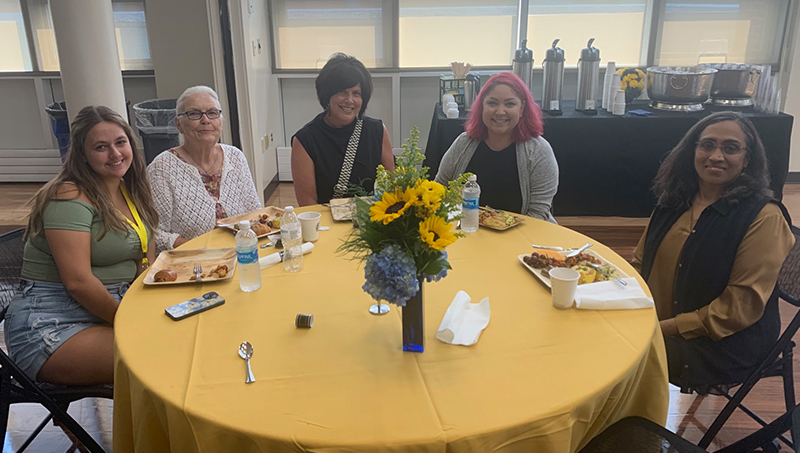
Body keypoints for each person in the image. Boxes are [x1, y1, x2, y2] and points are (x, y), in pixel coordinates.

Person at [632, 111, 794, 392]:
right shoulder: (675, 199)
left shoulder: (764, 217)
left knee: (616, 355)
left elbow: (736, 310)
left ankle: (628, 430)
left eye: (730, 148)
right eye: (707, 145)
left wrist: (659, 328)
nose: (716, 156)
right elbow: (639, 263)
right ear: (692, 150)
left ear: (747, 159)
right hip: (660, 323)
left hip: (722, 344)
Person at [4, 106, 158, 385]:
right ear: (82, 155)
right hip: (51, 323)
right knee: (160, 354)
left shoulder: (128, 188)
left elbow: (143, 256)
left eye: (120, 143)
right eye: (101, 147)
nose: (115, 154)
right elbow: (78, 282)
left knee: (191, 331)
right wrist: (131, 320)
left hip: (110, 306)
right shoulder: (69, 195)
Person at [148, 86, 261, 254]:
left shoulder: (236, 157)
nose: (205, 120)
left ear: (221, 121)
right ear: (178, 124)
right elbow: (155, 234)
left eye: (212, 113)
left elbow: (255, 213)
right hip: (192, 265)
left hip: (243, 254)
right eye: (194, 114)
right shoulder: (162, 168)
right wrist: (204, 251)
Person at [434, 72, 558, 221]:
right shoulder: (464, 143)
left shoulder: (539, 151)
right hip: (468, 234)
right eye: (492, 103)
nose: (500, 112)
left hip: (522, 238)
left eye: (510, 104)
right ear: (482, 107)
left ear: (522, 108)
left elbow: (538, 216)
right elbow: (438, 193)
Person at [291, 53, 395, 206]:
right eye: (342, 92)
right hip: (328, 224)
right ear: (327, 94)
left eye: (356, 93)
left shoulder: (377, 131)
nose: (349, 100)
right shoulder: (305, 140)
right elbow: (308, 205)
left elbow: (391, 188)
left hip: (373, 222)